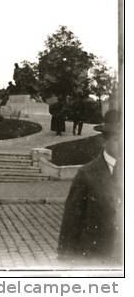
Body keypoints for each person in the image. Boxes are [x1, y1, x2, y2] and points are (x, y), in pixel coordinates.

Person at [58, 110, 123, 265]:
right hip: (95, 259)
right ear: (105, 141)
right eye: (119, 139)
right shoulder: (87, 174)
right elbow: (71, 224)